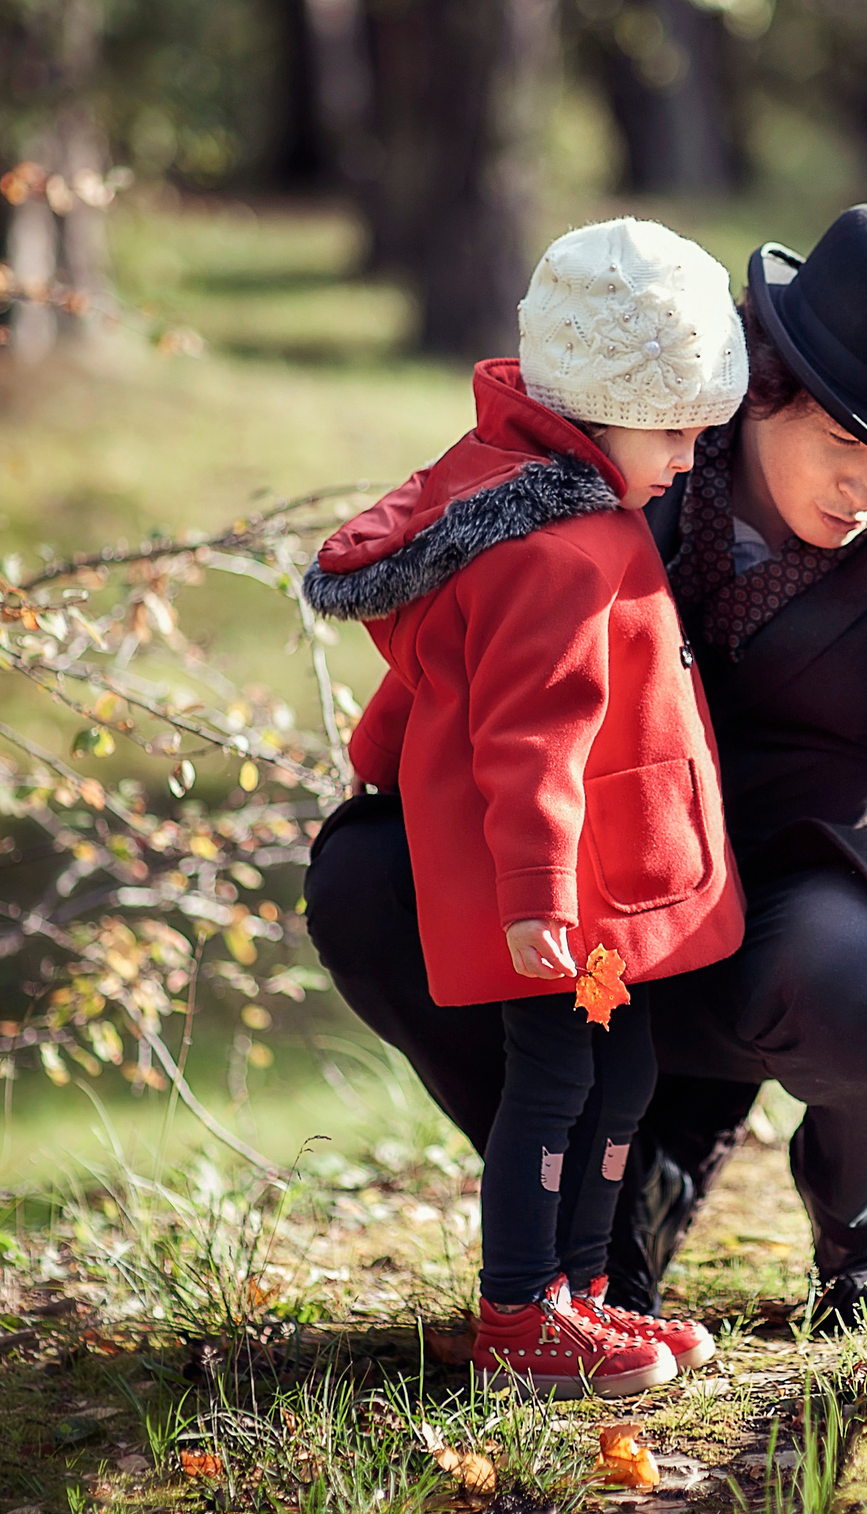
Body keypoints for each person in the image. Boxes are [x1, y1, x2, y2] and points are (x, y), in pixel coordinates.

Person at [308, 203, 867, 1329]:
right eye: (845, 449)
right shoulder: (634, 440)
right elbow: (474, 656)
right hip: (591, 886)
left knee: (856, 977)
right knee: (367, 880)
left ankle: (866, 1225)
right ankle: (598, 1209)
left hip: (802, 903)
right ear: (761, 384)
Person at [301, 217, 749, 1396]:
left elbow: (431, 671)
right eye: (676, 429)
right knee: (555, 1082)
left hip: (601, 891)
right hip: (562, 899)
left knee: (622, 1074)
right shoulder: (557, 546)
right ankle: (520, 1312)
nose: (694, 457)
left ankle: (584, 1293)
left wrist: (380, 746)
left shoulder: (524, 498)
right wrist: (533, 893)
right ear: (602, 405)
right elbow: (528, 731)